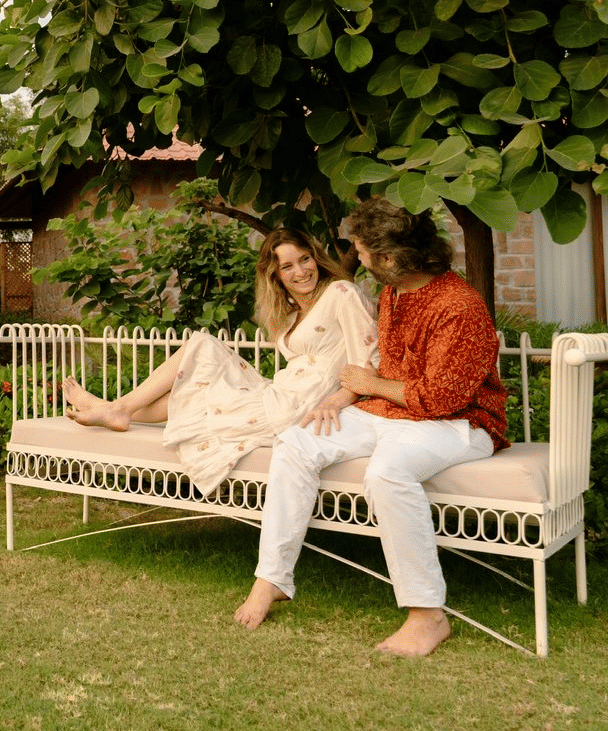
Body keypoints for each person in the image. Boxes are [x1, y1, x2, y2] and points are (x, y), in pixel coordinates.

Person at [236, 199, 509, 657]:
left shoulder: (459, 307)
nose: (355, 258)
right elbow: (382, 371)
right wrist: (349, 397)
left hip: (462, 423)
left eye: (362, 251)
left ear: (388, 258)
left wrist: (369, 384)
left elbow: (442, 399)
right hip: (394, 413)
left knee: (387, 472)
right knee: (296, 443)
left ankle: (427, 616)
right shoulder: (393, 294)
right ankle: (272, 578)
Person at [62, 228, 379, 497]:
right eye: (287, 267)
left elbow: (368, 364)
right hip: (280, 393)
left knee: (201, 355)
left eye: (304, 259)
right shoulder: (294, 312)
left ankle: (117, 408)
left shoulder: (341, 293)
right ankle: (117, 409)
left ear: (316, 257)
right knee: (197, 369)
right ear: (275, 275)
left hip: (299, 406)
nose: (300, 271)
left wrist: (336, 402)